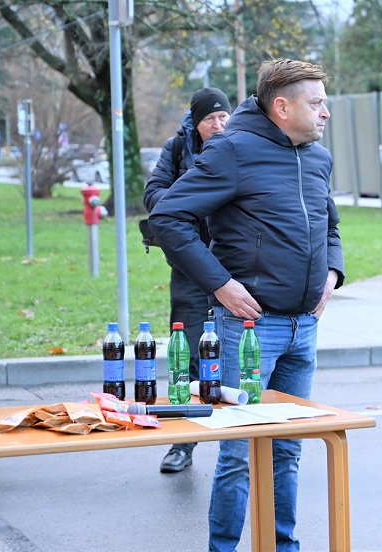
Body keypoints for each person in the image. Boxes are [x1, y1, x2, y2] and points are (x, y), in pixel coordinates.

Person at [148, 58, 344, 551]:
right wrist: (220, 285)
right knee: (237, 453)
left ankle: (283, 547)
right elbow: (167, 217)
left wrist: (333, 274)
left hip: (304, 326)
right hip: (247, 328)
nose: (326, 112)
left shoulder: (318, 157)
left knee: (287, 451)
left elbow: (330, 225)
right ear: (282, 106)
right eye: (316, 103)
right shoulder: (232, 149)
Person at [143, 87, 233, 473]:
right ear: (196, 123)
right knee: (187, 357)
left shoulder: (240, 146)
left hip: (235, 267)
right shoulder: (178, 148)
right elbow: (153, 193)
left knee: (242, 356)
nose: (219, 124)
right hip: (190, 266)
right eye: (210, 118)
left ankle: (255, 443)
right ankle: (183, 443)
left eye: (224, 116)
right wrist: (190, 198)